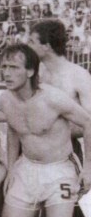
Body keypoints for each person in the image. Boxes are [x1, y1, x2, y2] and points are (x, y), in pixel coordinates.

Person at [0, 44, 91, 217]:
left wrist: (89, 168)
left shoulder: (53, 99)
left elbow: (89, 122)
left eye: (13, 67)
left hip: (59, 170)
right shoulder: (5, 99)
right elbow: (14, 129)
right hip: (27, 169)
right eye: (3, 66)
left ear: (30, 71)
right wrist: (12, 165)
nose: (6, 72)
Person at [27, 19, 91, 160]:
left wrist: (53, 129)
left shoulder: (78, 76)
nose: (27, 46)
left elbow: (89, 122)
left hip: (66, 152)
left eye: (31, 42)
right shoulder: (35, 74)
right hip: (32, 150)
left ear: (47, 46)